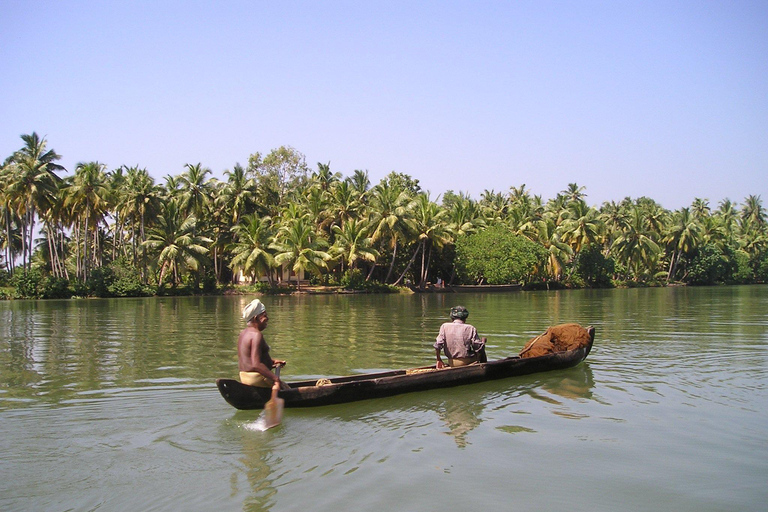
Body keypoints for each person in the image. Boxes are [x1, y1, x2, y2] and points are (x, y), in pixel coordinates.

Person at [237, 299, 288, 389]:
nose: (267, 318)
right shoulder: (257, 335)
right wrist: (275, 379)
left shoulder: (243, 333)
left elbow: (249, 359)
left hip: (244, 377)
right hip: (257, 378)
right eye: (265, 316)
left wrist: (272, 362)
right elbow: (256, 364)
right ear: (256, 318)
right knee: (286, 388)